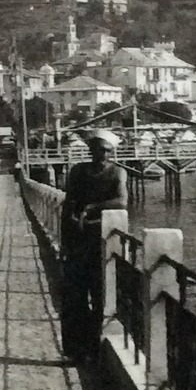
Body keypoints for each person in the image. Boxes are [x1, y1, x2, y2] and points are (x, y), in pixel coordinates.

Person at [59, 128, 128, 361]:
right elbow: (68, 204)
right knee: (74, 298)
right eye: (99, 150)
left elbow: (121, 201)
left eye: (108, 151)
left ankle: (94, 348)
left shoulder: (117, 173)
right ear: (90, 150)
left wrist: (91, 208)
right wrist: (65, 242)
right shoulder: (78, 172)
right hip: (77, 238)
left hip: (101, 241)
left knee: (100, 296)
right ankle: (74, 352)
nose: (103, 155)